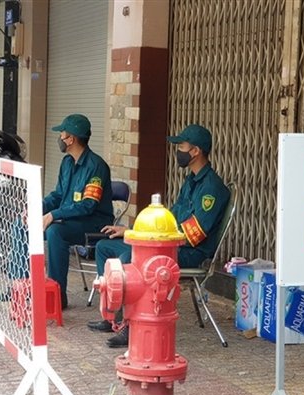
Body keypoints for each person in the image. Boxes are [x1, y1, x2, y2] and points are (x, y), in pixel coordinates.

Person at [87, 124, 230, 348]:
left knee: (130, 260)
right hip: (164, 246)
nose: (178, 151)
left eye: (181, 147)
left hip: (188, 252)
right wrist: (132, 232)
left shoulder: (212, 189)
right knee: (105, 247)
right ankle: (112, 315)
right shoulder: (191, 181)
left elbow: (193, 236)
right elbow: (168, 218)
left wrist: (147, 239)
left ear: (195, 151)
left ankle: (130, 326)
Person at [44, 114, 114, 309]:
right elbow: (58, 195)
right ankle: (21, 287)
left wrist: (53, 215)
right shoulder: (67, 162)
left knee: (55, 232)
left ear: (71, 139)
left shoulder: (96, 166)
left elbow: (88, 205)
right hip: (70, 219)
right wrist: (37, 208)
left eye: (62, 134)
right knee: (23, 226)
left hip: (94, 222)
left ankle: (57, 298)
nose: (60, 138)